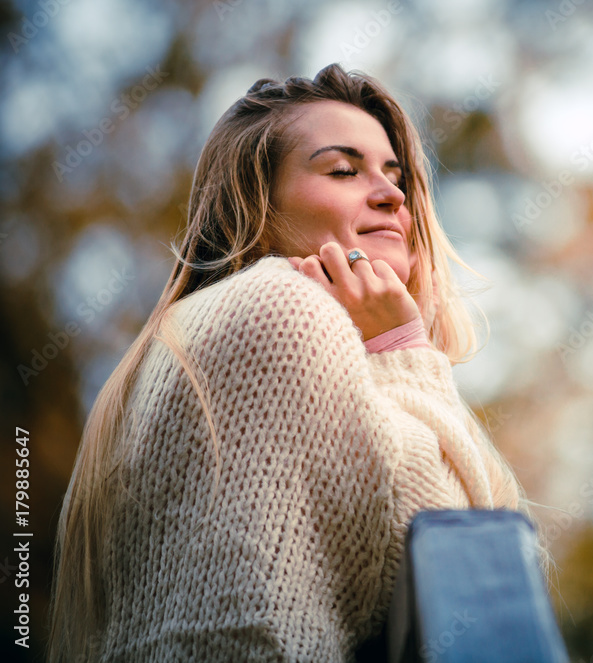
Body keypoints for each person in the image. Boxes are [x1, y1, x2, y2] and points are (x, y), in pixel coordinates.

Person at [47, 63, 540, 662]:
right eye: (341, 170)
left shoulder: (189, 336)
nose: (392, 195)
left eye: (395, 175)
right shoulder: (280, 307)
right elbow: (463, 570)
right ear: (258, 205)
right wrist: (404, 350)